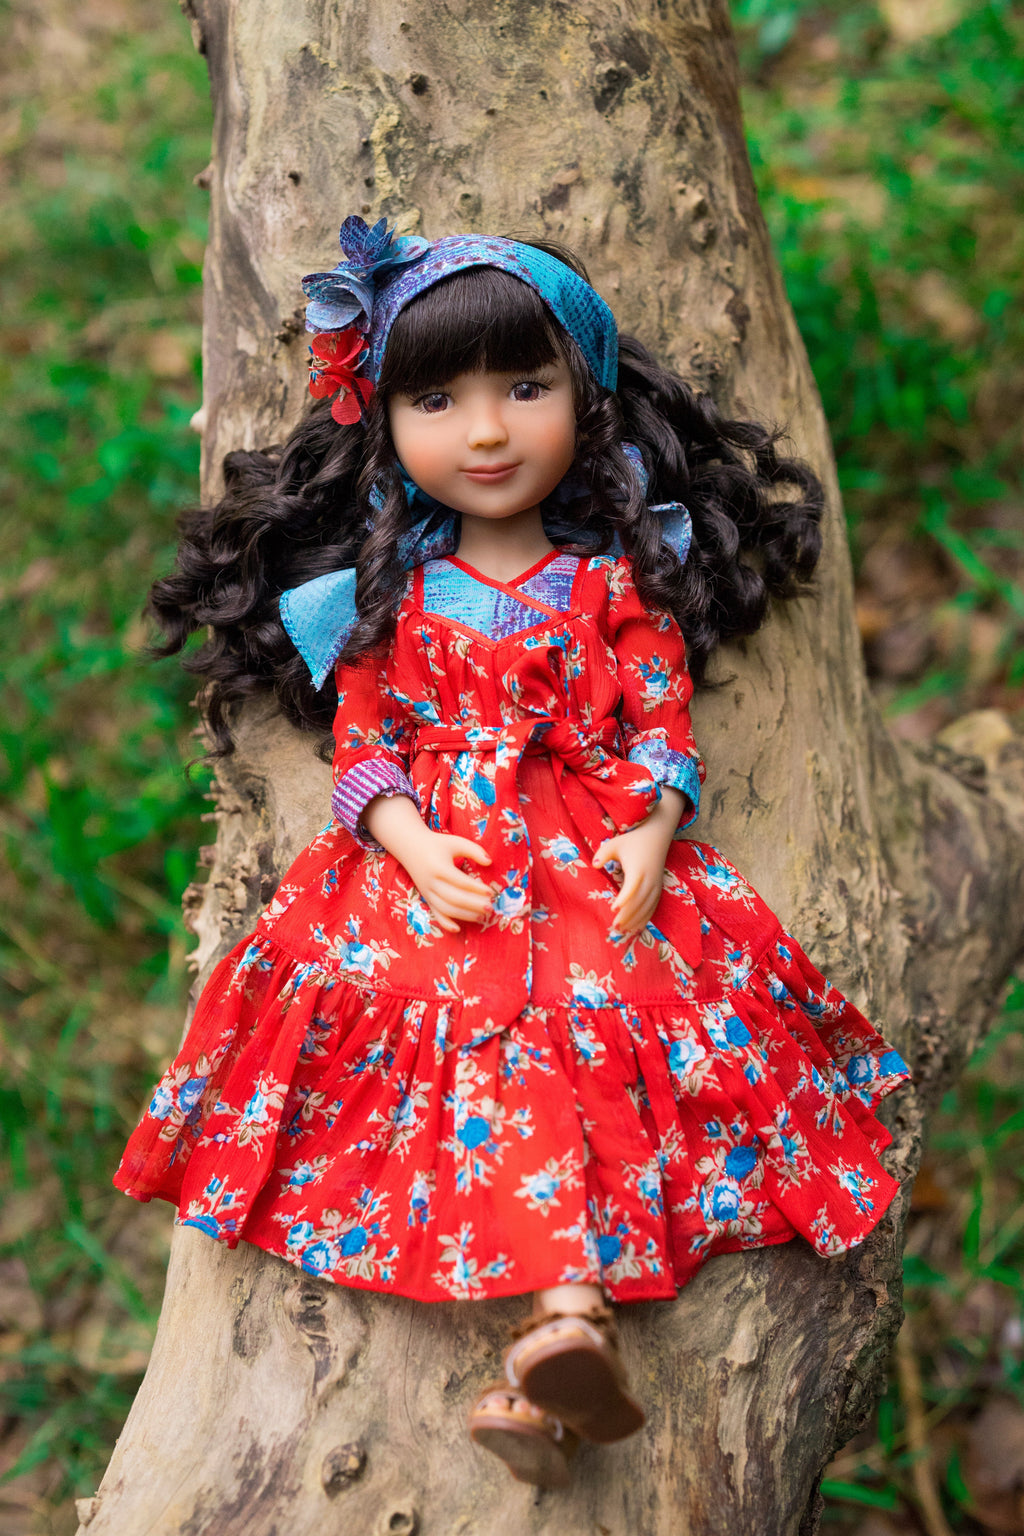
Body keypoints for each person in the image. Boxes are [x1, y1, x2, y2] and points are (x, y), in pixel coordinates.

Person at [116, 217, 909, 1488]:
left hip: (586, 855)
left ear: (582, 402)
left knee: (598, 1037)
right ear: (384, 420)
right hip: (440, 871)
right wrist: (408, 843)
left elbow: (661, 728)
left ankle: (556, 1348)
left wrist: (652, 829)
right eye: (437, 400)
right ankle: (559, 1341)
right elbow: (363, 750)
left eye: (524, 388)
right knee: (452, 1058)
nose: (485, 433)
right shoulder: (384, 600)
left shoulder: (614, 584)